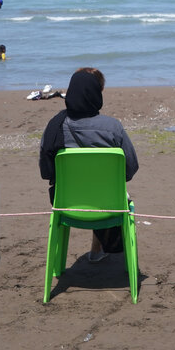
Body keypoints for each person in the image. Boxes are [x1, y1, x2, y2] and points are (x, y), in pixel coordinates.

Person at [40, 68, 138, 261]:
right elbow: (130, 168)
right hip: (110, 204)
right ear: (96, 94)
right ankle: (100, 249)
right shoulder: (112, 127)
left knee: (89, 187)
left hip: (67, 205)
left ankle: (95, 250)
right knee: (103, 188)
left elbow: (46, 171)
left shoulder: (55, 127)